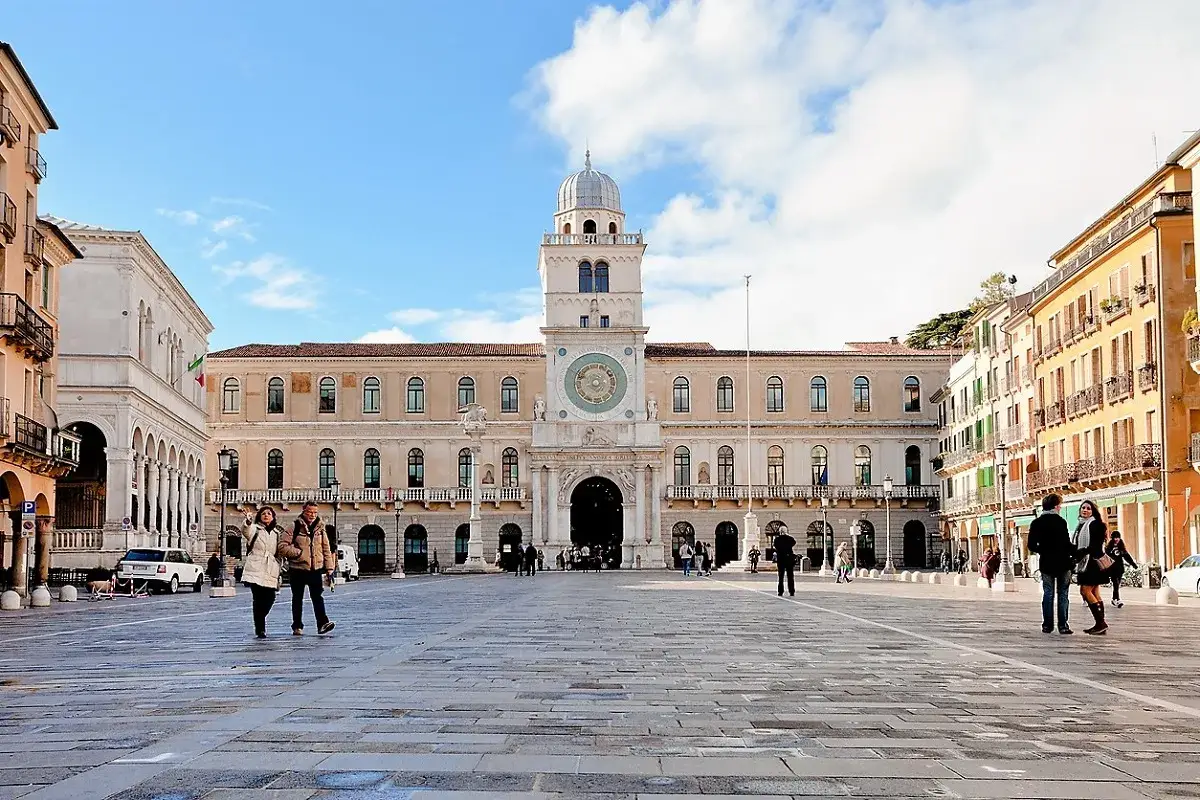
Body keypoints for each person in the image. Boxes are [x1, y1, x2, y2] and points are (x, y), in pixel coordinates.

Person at [241, 507, 300, 639]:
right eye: (263, 514)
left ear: (273, 517)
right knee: (258, 599)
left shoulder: (277, 533)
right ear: (259, 517)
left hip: (270, 568)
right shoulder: (255, 529)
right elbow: (246, 530)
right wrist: (248, 520)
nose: (266, 516)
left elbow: (280, 550)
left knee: (270, 598)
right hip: (256, 567)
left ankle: (259, 619)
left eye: (269, 514)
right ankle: (260, 629)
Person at [280, 501, 337, 636]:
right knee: (297, 598)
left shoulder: (320, 529)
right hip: (297, 568)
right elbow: (282, 546)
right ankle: (297, 626)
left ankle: (322, 623)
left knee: (317, 597)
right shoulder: (293, 527)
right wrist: (299, 553)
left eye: (315, 512)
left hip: (315, 568)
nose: (312, 515)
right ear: (303, 511)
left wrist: (330, 569)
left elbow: (326, 549)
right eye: (309, 512)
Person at [1028, 494, 1074, 634]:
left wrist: (1044, 550)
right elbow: (1066, 544)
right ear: (1055, 506)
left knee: (1048, 593)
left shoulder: (1036, 523)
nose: (1060, 507)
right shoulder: (1060, 522)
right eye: (1059, 505)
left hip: (1046, 563)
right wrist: (1078, 550)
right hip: (1063, 562)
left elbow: (1031, 545)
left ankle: (1047, 625)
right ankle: (1063, 626)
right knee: (1063, 594)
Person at [1073, 499, 1111, 635]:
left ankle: (1100, 623)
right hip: (1088, 561)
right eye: (1083, 508)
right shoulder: (1081, 525)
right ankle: (1100, 624)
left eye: (1088, 508)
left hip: (1092, 562)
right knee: (1094, 592)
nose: (1085, 510)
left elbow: (1095, 545)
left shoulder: (1095, 524)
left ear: (1093, 511)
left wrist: (1081, 552)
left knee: (1085, 591)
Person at [1105, 530, 1137, 608]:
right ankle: (1118, 599)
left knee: (1117, 584)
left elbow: (1126, 556)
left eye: (1117, 537)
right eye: (1114, 537)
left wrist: (1133, 564)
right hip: (1112, 569)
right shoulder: (1109, 547)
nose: (1116, 539)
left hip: (1119, 568)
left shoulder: (1121, 547)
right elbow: (1105, 556)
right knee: (1115, 584)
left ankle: (1114, 599)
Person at [773, 525, 797, 597]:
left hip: (781, 559)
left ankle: (780, 591)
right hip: (789, 558)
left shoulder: (777, 539)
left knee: (781, 576)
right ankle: (791, 591)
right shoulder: (790, 539)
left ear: (780, 531)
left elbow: (775, 546)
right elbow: (794, 542)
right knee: (790, 576)